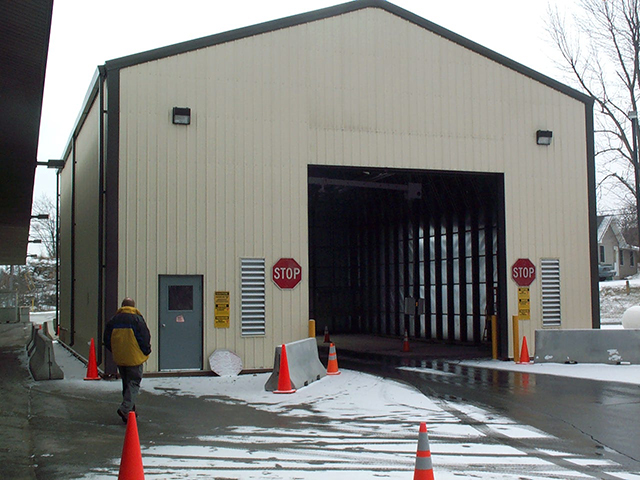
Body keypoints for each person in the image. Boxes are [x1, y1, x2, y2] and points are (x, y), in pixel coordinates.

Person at [103, 297, 151, 423]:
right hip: (134, 357)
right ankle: (125, 408)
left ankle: (130, 411)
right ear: (133, 306)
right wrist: (146, 351)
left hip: (120, 357)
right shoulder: (137, 319)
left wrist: (115, 350)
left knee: (126, 383)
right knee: (134, 382)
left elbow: (106, 339)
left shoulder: (113, 320)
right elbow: (144, 337)